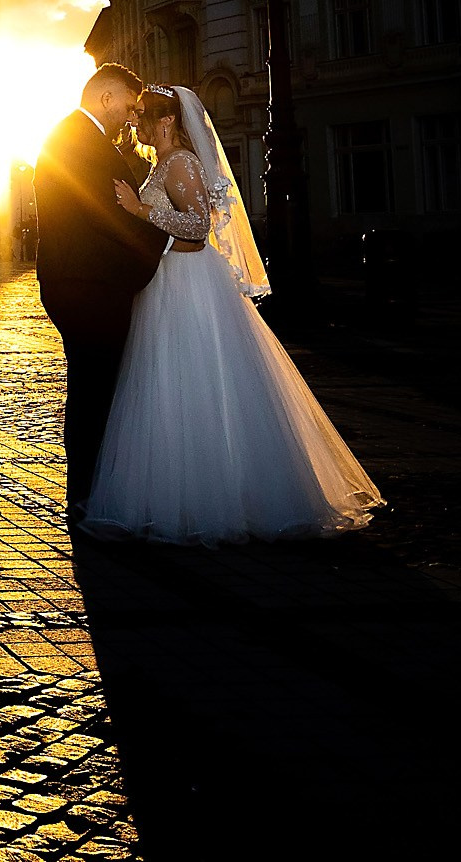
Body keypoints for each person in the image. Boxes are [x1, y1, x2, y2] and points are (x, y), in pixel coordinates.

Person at [84, 85, 384, 545]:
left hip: (188, 282)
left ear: (166, 122)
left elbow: (199, 225)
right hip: (166, 280)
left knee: (198, 378)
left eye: (142, 114)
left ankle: (215, 497)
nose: (134, 121)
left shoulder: (181, 161)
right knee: (164, 383)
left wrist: (140, 209)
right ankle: (170, 491)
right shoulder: (161, 163)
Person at [34, 63, 166, 512]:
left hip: (82, 281)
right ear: (106, 98)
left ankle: (88, 491)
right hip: (88, 284)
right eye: (129, 107)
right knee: (94, 390)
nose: (132, 118)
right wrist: (165, 239)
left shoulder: (76, 137)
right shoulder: (78, 141)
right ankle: (86, 496)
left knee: (92, 386)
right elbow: (107, 215)